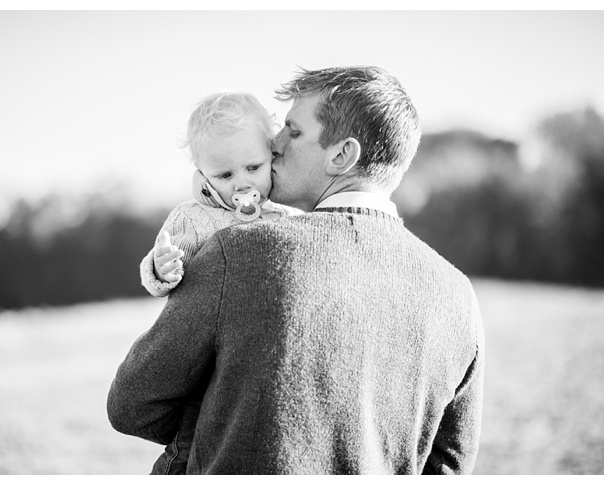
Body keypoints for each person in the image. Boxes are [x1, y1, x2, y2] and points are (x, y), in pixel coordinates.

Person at [108, 66, 485, 474]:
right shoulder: (458, 295)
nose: (275, 142)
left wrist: (218, 425)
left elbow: (132, 404)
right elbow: (448, 466)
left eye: (293, 130)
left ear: (342, 155)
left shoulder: (238, 253)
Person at [139, 91, 299, 474]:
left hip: (265, 361)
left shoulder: (290, 216)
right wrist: (162, 269)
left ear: (272, 156)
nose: (242, 183)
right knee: (194, 443)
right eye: (225, 175)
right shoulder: (192, 218)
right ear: (203, 174)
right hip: (207, 363)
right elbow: (158, 269)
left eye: (253, 167)